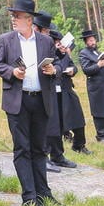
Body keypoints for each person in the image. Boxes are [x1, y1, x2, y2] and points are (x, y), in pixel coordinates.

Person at [0, 0, 61, 206]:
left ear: (29, 20)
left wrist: (54, 70)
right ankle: (29, 197)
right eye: (12, 16)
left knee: (40, 148)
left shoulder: (46, 42)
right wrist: (11, 71)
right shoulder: (6, 39)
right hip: (17, 102)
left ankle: (44, 194)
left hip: (41, 101)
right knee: (22, 149)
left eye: (18, 16)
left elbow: (55, 66)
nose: (13, 19)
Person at [40, 21, 77, 171]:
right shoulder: (42, 46)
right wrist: (63, 56)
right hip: (45, 89)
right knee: (47, 125)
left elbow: (60, 66)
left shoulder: (55, 49)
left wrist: (65, 55)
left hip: (60, 89)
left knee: (57, 124)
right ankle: (46, 156)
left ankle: (57, 155)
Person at [77, 28, 104, 143]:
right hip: (95, 87)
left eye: (93, 40)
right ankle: (101, 136)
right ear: (86, 42)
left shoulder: (97, 52)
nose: (93, 42)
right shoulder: (83, 53)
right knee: (99, 111)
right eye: (90, 41)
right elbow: (86, 70)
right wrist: (99, 65)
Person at [52, 29, 90, 155]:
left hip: (67, 89)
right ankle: (56, 151)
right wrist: (63, 54)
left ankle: (79, 145)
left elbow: (73, 66)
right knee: (58, 122)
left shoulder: (64, 55)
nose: (61, 45)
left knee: (78, 118)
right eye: (58, 42)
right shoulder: (50, 55)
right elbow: (57, 68)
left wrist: (72, 70)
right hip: (55, 92)